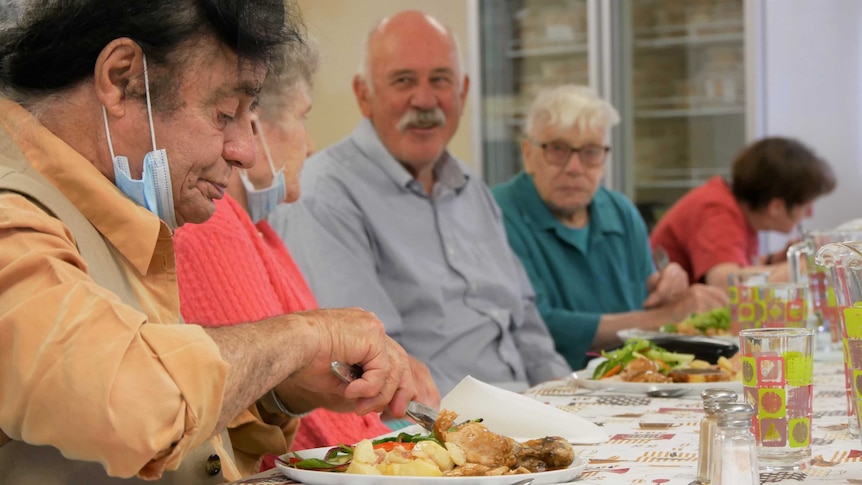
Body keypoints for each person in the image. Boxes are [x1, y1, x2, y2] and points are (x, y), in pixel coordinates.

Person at [0, 2, 417, 483]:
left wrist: (279, 391)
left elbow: (165, 437)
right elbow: (134, 407)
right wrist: (305, 336)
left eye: (251, 114)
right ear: (121, 79)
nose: (245, 151)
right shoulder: (14, 216)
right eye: (225, 113)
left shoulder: (111, 204)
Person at [270, 10, 572, 394]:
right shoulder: (324, 196)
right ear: (365, 95)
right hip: (440, 433)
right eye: (403, 81)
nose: (425, 99)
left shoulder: (471, 187)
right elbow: (373, 367)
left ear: (462, 92)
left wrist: (566, 398)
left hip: (530, 411)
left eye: (440, 80)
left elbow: (525, 321)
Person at [174, 38, 438, 474]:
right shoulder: (212, 226)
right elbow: (306, 427)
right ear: (253, 126)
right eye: (303, 118)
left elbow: (300, 387)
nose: (311, 144)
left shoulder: (255, 228)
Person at [491, 85, 727, 369]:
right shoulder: (498, 212)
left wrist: (669, 294)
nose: (575, 168)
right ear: (528, 153)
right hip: (546, 390)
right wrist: (667, 316)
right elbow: (538, 326)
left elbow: (649, 307)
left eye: (590, 152)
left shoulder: (621, 211)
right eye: (558, 149)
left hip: (629, 383)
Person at [650, 136, 836, 288]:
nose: (810, 214)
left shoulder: (734, 207)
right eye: (805, 206)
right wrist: (805, 265)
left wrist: (773, 260)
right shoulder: (716, 210)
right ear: (776, 207)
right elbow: (725, 283)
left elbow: (737, 268)